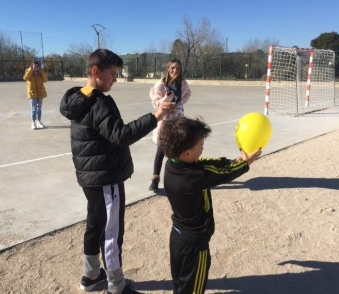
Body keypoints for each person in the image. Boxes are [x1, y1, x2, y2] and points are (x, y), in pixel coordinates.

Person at [60, 49, 174, 294]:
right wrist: (156, 116)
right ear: (95, 72)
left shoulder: (80, 98)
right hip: (105, 176)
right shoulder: (99, 101)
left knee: (96, 224)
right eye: (112, 74)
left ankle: (91, 276)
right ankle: (116, 285)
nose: (115, 79)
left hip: (90, 176)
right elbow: (120, 136)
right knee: (111, 232)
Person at [158, 116, 261, 294]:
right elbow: (223, 174)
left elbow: (209, 164)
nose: (203, 150)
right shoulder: (194, 177)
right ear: (187, 153)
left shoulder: (173, 165)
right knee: (194, 290)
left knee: (182, 285)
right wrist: (245, 163)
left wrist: (234, 161)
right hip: (194, 245)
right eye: (200, 147)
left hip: (178, 238)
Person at [148, 58, 191, 192]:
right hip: (165, 122)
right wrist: (166, 99)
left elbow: (188, 93)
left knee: (178, 150)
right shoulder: (161, 85)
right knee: (161, 151)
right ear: (168, 69)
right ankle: (155, 180)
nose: (175, 71)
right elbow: (155, 103)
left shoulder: (182, 83)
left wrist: (180, 103)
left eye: (177, 68)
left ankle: (179, 179)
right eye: (172, 68)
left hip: (178, 120)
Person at [23, 60, 48, 129]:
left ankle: (39, 122)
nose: (35, 68)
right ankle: (33, 122)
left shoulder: (40, 72)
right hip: (32, 93)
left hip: (40, 92)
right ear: (32, 66)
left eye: (37, 66)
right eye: (34, 66)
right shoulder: (28, 71)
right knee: (34, 108)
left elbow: (45, 80)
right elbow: (25, 78)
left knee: (39, 108)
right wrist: (31, 70)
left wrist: (41, 71)